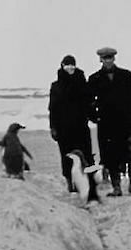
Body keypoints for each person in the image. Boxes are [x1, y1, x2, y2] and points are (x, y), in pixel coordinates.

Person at [86, 47, 131, 196]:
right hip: (108, 124)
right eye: (105, 58)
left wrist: (126, 107)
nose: (108, 61)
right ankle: (116, 187)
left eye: (110, 57)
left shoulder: (126, 75)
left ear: (114, 58)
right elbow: (87, 102)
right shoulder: (94, 79)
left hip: (128, 121)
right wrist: (95, 116)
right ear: (100, 60)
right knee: (111, 155)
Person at [48, 55, 94, 192]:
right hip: (63, 128)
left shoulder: (82, 83)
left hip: (81, 126)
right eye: (67, 65)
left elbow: (89, 103)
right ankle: (70, 184)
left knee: (85, 155)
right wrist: (53, 127)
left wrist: (93, 116)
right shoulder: (56, 86)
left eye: (72, 64)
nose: (70, 67)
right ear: (62, 66)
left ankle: (86, 182)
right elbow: (53, 108)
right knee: (66, 156)